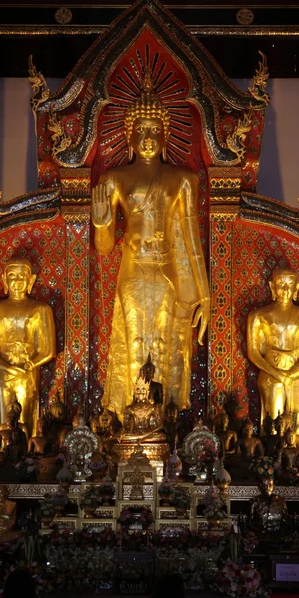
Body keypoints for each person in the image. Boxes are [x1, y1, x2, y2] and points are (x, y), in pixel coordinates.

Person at [92, 72, 210, 417]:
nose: (148, 137)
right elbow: (103, 247)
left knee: (164, 341)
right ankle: (130, 416)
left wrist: (203, 294)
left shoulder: (183, 180)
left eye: (154, 130)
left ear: (166, 134)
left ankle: (162, 416)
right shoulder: (114, 179)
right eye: (140, 130)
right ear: (129, 135)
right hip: (133, 270)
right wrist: (102, 222)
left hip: (167, 272)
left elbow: (191, 239)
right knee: (133, 342)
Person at [0, 256, 56, 438]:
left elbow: (48, 350)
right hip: (3, 372)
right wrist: (8, 368)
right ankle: (0, 449)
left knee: (25, 419)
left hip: (27, 373)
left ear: (31, 280)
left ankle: (28, 454)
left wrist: (29, 366)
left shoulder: (40, 309)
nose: (17, 281)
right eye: (12, 276)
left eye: (22, 276)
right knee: (3, 419)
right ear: (4, 280)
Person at [247, 267, 299, 434]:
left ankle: (292, 452)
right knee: (274, 421)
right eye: (281, 284)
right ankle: (271, 454)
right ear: (272, 287)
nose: (285, 289)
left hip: (294, 373)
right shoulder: (258, 316)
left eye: (290, 284)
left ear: (297, 287)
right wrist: (278, 374)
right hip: (270, 373)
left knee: (293, 425)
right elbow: (253, 353)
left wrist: (292, 373)